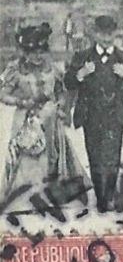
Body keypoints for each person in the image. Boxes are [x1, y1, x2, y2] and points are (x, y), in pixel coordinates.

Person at [0, 22, 85, 199]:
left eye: (41, 52)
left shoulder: (52, 69)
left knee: (52, 154)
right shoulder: (15, 70)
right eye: (33, 52)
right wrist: (21, 101)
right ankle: (28, 195)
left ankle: (52, 193)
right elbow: (2, 94)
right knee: (28, 154)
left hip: (51, 119)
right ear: (25, 52)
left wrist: (60, 106)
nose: (38, 56)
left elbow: (61, 92)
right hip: (26, 119)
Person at [64, 14, 123, 213]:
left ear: (115, 34)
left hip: (114, 114)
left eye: (110, 34)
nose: (106, 38)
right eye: (102, 34)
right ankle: (100, 195)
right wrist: (81, 74)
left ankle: (109, 195)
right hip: (91, 115)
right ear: (95, 34)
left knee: (112, 156)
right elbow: (67, 81)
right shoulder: (83, 57)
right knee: (94, 155)